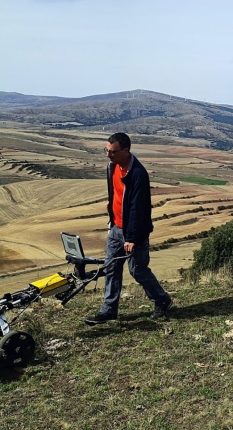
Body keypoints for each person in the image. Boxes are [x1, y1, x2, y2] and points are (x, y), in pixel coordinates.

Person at [84, 132, 173, 325]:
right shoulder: (112, 166)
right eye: (106, 151)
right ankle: (109, 311)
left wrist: (131, 238)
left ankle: (162, 300)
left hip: (134, 233)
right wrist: (111, 210)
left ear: (126, 150)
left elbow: (137, 209)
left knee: (138, 270)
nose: (108, 155)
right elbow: (116, 193)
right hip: (115, 227)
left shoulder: (138, 174)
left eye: (112, 152)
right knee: (111, 268)